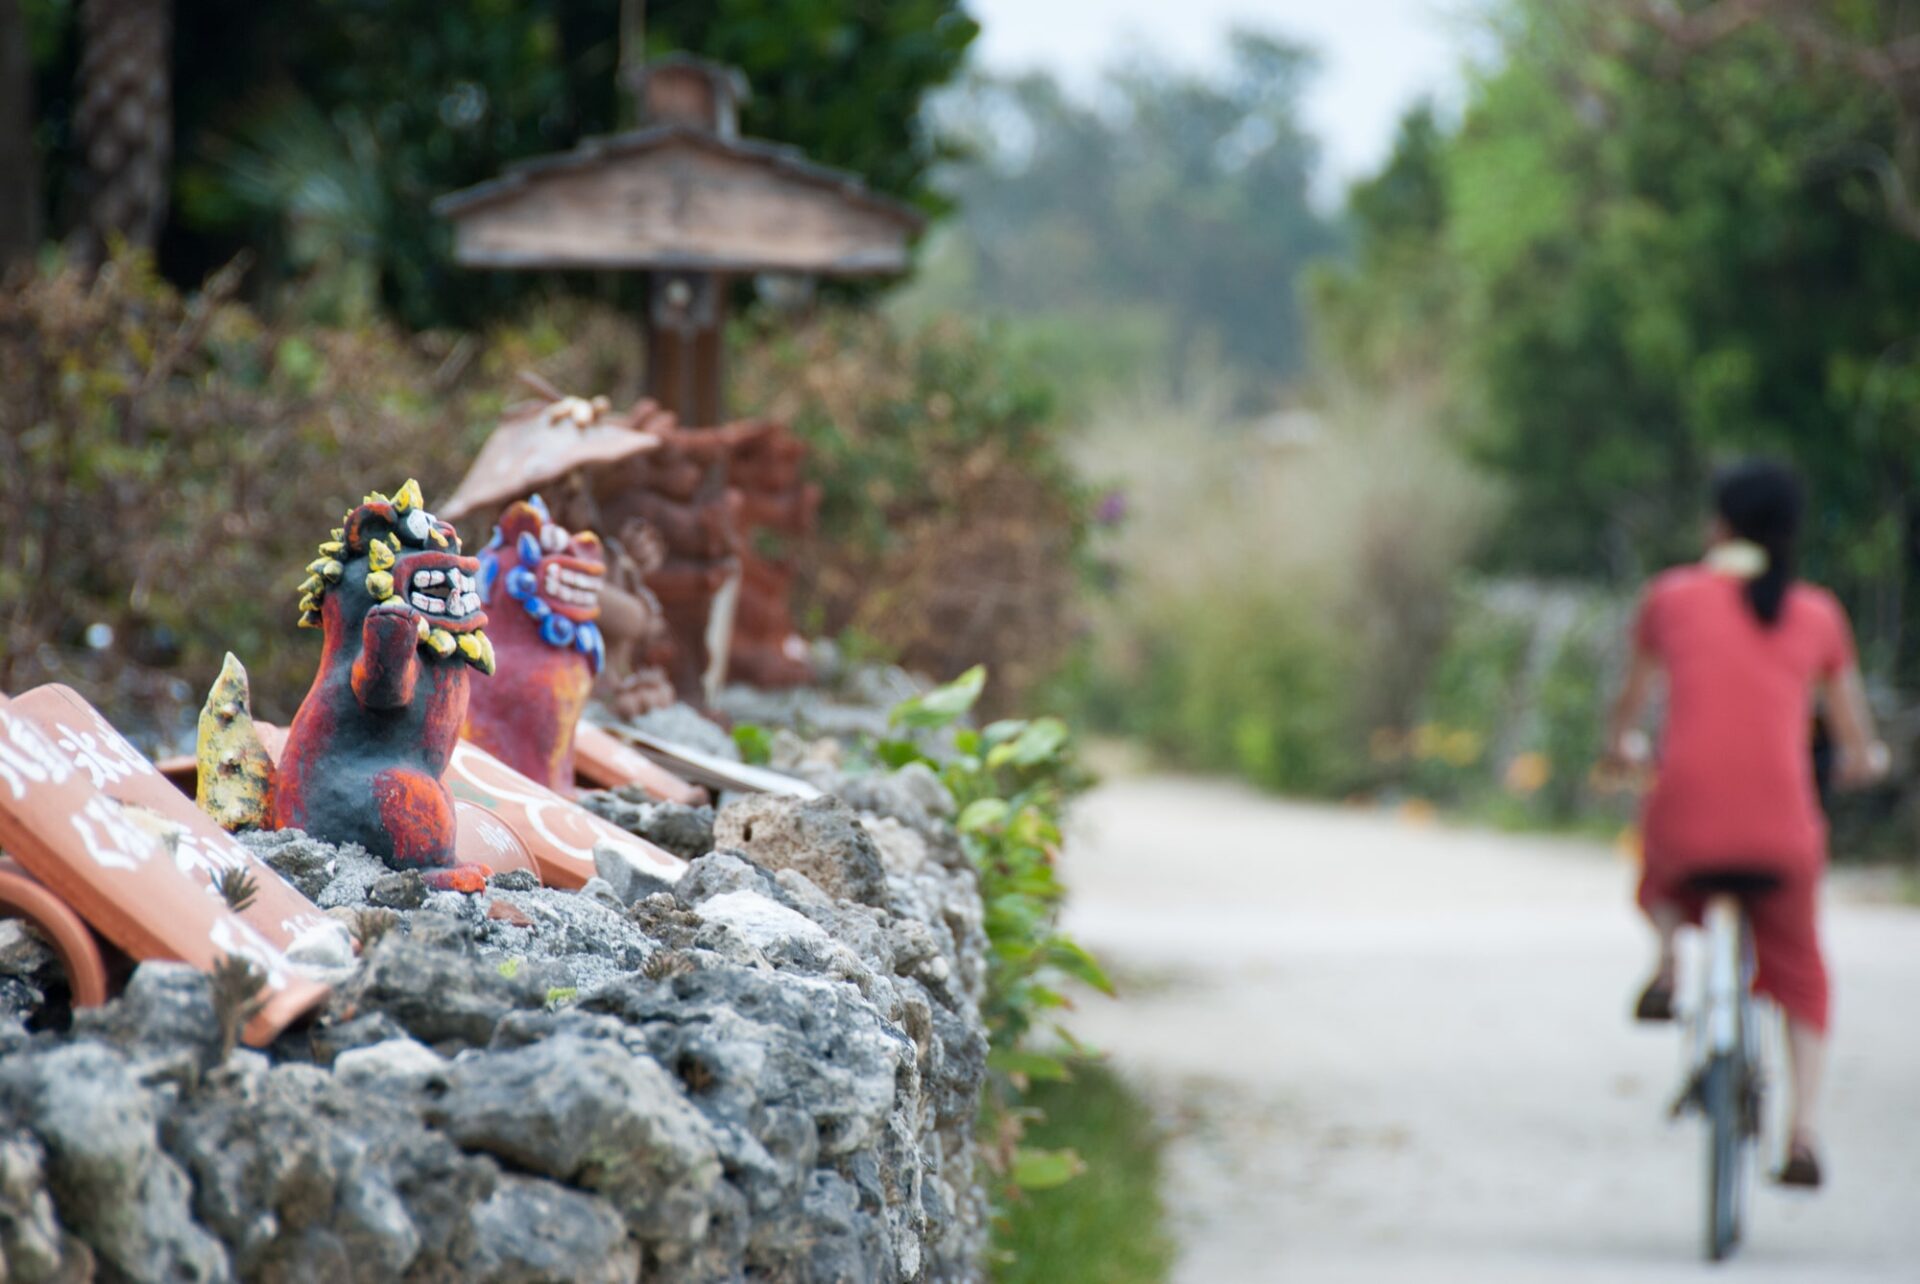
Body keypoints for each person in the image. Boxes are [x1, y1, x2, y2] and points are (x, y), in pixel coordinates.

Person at [1604, 460, 1889, 1190]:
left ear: (1718, 526)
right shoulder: (1818, 613)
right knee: (1798, 969)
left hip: (1691, 824)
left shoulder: (1671, 598)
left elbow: (1630, 709)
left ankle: (1668, 961)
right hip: (1780, 836)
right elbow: (1855, 736)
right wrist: (1865, 762)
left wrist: (1620, 751)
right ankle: (1804, 1131)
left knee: (1661, 854)